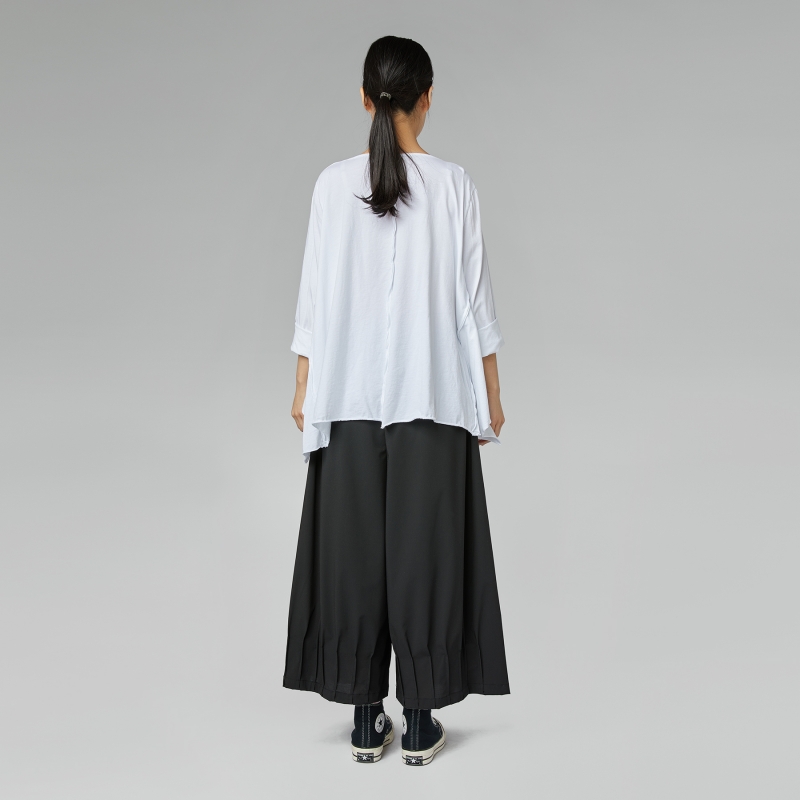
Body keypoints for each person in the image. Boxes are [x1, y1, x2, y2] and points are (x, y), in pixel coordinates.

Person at [282, 35, 510, 766]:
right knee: (427, 558)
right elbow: (475, 303)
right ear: (427, 97)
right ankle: (417, 721)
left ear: (364, 98)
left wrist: (303, 388)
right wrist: (490, 397)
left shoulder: (330, 185)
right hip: (432, 400)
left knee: (351, 557)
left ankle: (362, 719)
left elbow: (314, 300)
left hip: (346, 400)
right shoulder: (454, 184)